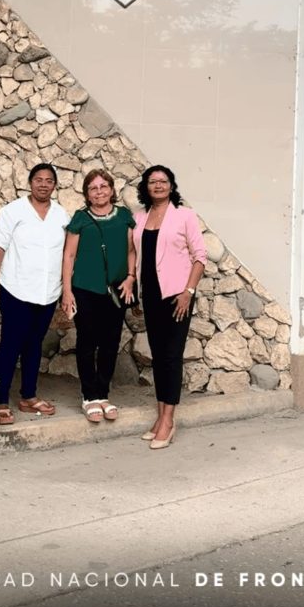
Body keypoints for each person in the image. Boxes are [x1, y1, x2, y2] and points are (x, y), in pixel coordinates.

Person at [0, 163, 69, 425]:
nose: (43, 184)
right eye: (38, 179)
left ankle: (28, 397)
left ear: (55, 185)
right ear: (30, 182)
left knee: (35, 344)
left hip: (47, 293)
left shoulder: (62, 216)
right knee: (11, 344)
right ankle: (0, 401)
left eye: (49, 180)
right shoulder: (13, 211)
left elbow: (68, 253)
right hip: (16, 289)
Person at [133, 165, 207, 450]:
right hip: (151, 295)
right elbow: (134, 253)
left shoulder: (184, 215)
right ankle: (160, 414)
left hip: (177, 297)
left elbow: (200, 256)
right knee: (158, 356)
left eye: (163, 181)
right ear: (146, 187)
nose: (158, 185)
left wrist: (188, 291)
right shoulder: (141, 218)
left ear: (172, 186)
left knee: (171, 356)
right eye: (153, 181)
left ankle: (168, 420)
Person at [61, 169, 136, 423]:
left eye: (104, 186)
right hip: (85, 289)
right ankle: (89, 396)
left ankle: (103, 394)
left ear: (112, 190)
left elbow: (131, 251)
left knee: (111, 342)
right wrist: (67, 291)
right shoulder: (80, 219)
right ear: (87, 194)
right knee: (86, 342)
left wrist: (130, 278)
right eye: (93, 188)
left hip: (116, 290)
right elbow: (69, 256)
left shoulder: (124, 217)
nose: (99, 191)